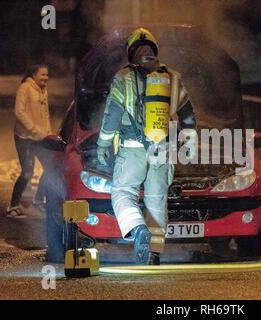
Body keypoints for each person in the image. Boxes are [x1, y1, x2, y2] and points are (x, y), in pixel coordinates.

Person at [96, 28, 196, 265]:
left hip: (132, 148)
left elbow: (112, 115)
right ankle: (153, 253)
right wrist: (189, 142)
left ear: (131, 53)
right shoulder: (172, 77)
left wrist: (103, 144)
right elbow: (188, 114)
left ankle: (138, 229)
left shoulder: (123, 78)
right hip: (163, 149)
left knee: (123, 193)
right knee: (156, 199)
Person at [7, 64, 51, 218]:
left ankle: (38, 200)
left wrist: (48, 132)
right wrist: (33, 129)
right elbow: (19, 112)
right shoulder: (25, 88)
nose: (45, 78)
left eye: (47, 75)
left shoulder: (43, 90)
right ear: (34, 74)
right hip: (24, 138)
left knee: (51, 169)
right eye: (42, 75)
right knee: (27, 172)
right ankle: (12, 206)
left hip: (41, 138)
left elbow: (45, 114)